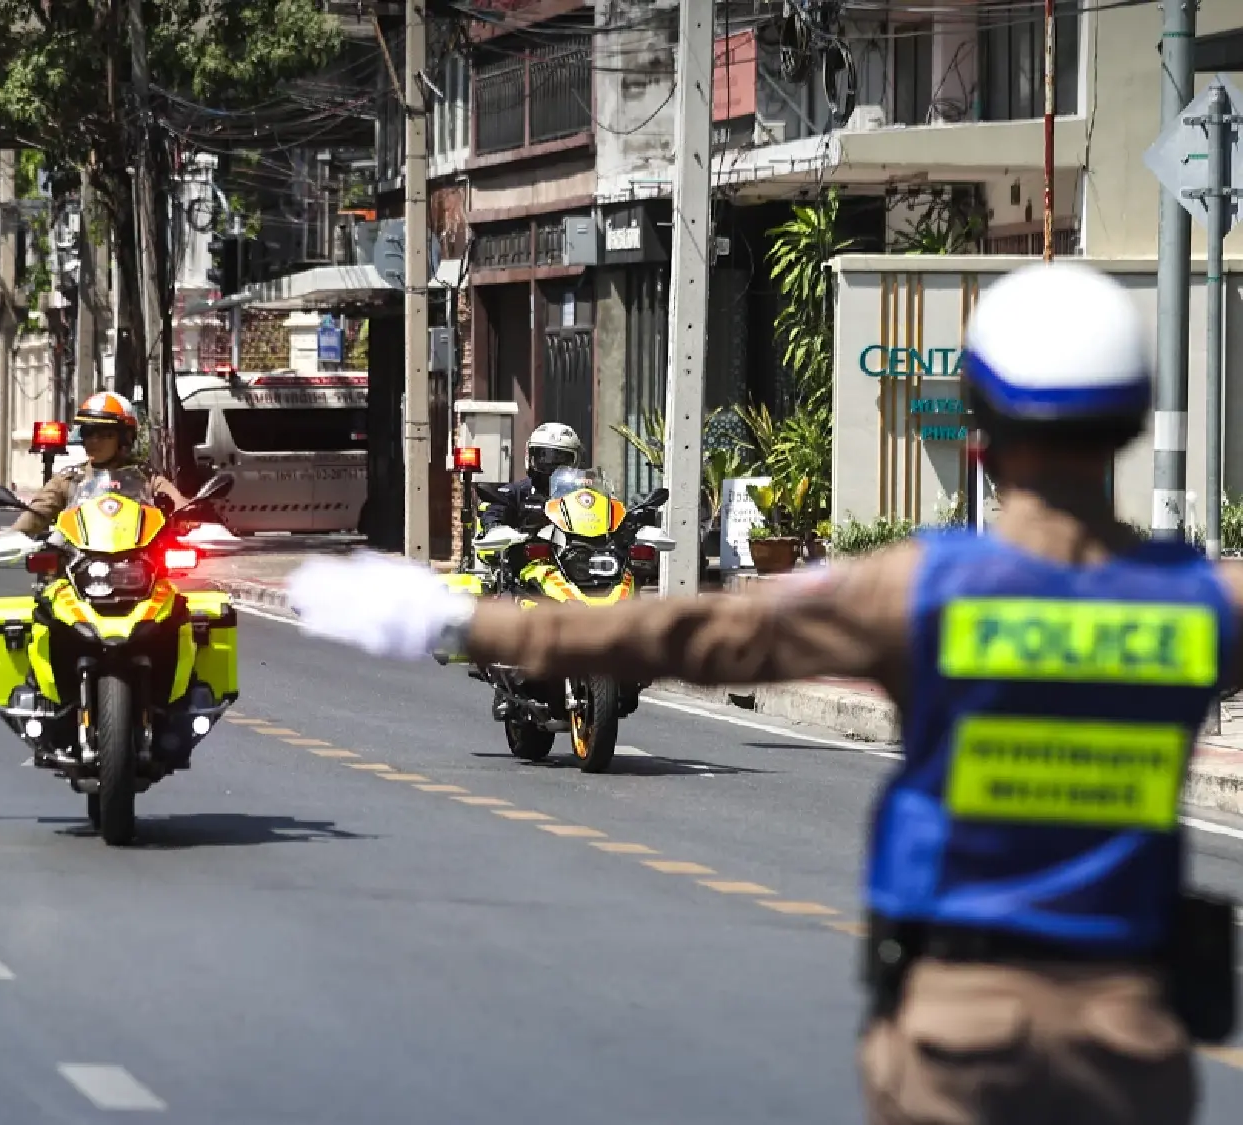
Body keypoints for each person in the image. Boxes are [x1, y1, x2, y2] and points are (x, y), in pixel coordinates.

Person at [287, 262, 1235, 1125]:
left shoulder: (924, 591)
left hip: (964, 1044)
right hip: (1133, 1049)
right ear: (1133, 420)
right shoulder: (1202, 607)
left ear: (981, 432)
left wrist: (457, 622)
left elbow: (702, 631)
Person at [9, 391, 185, 537]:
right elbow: (37, 513)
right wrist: (13, 537)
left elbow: (181, 506)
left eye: (104, 434)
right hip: (78, 563)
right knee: (51, 577)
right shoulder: (69, 478)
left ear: (124, 438)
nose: (94, 441)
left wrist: (190, 516)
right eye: (88, 433)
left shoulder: (146, 476)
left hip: (134, 562)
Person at [478, 422, 585, 535]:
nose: (552, 464)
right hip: (526, 550)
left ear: (576, 460)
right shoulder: (518, 492)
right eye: (543, 456)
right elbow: (496, 511)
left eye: (562, 459)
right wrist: (496, 528)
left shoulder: (581, 493)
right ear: (530, 457)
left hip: (575, 550)